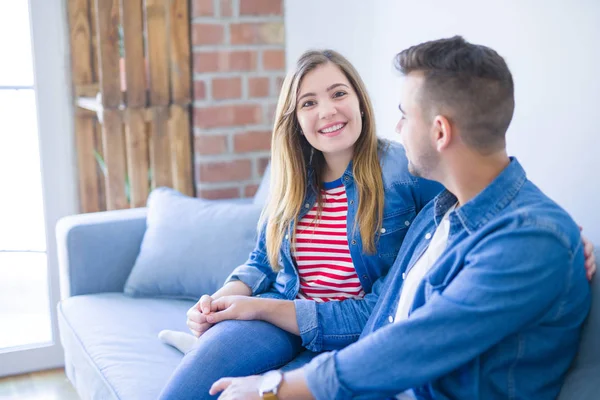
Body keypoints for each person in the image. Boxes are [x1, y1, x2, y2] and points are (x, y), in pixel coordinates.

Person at [209, 36, 596, 400]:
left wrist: (275, 387)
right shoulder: (438, 215)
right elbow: (383, 318)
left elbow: (412, 344)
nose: (395, 129)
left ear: (439, 131)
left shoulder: (529, 241)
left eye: (404, 115)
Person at [158, 49, 442, 399]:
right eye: (308, 103)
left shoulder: (406, 170)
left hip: (353, 333)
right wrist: (217, 303)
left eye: (339, 93)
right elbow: (263, 261)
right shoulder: (293, 176)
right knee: (187, 388)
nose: (327, 111)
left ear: (360, 102)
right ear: (295, 119)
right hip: (279, 318)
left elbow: (385, 306)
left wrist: (260, 307)